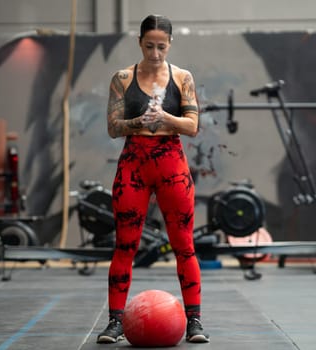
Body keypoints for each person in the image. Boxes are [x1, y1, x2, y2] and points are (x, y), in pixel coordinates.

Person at [97, 14, 209, 344]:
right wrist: (138, 122)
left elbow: (192, 125)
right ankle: (115, 321)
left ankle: (194, 321)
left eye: (161, 47)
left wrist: (163, 118)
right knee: (125, 244)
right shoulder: (122, 78)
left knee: (183, 245)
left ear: (170, 44)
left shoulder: (183, 78)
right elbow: (113, 127)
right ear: (140, 42)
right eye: (149, 46)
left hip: (171, 163)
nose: (156, 53)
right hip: (134, 164)